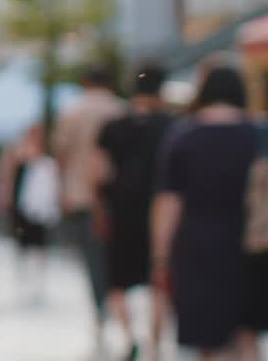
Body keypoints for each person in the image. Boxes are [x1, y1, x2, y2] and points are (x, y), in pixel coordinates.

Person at [152, 67, 266, 360]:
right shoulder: (259, 134)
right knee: (246, 333)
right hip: (251, 244)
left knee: (208, 338)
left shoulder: (184, 136)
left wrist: (161, 255)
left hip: (197, 245)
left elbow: (169, 202)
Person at [96, 62, 175, 361]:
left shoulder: (113, 127)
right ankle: (155, 343)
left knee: (118, 282)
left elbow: (99, 171)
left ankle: (131, 337)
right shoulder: (172, 127)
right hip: (161, 213)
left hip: (121, 212)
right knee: (159, 280)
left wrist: (100, 208)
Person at [53, 66, 126, 344]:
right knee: (113, 255)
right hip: (116, 196)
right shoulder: (120, 109)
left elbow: (60, 154)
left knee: (92, 257)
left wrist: (62, 189)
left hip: (80, 193)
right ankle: (113, 306)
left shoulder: (73, 111)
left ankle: (100, 308)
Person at [0, 124, 60, 305]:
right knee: (23, 244)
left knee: (40, 244)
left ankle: (38, 281)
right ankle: (25, 279)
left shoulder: (47, 162)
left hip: (41, 207)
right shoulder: (18, 159)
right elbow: (9, 179)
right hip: (23, 206)